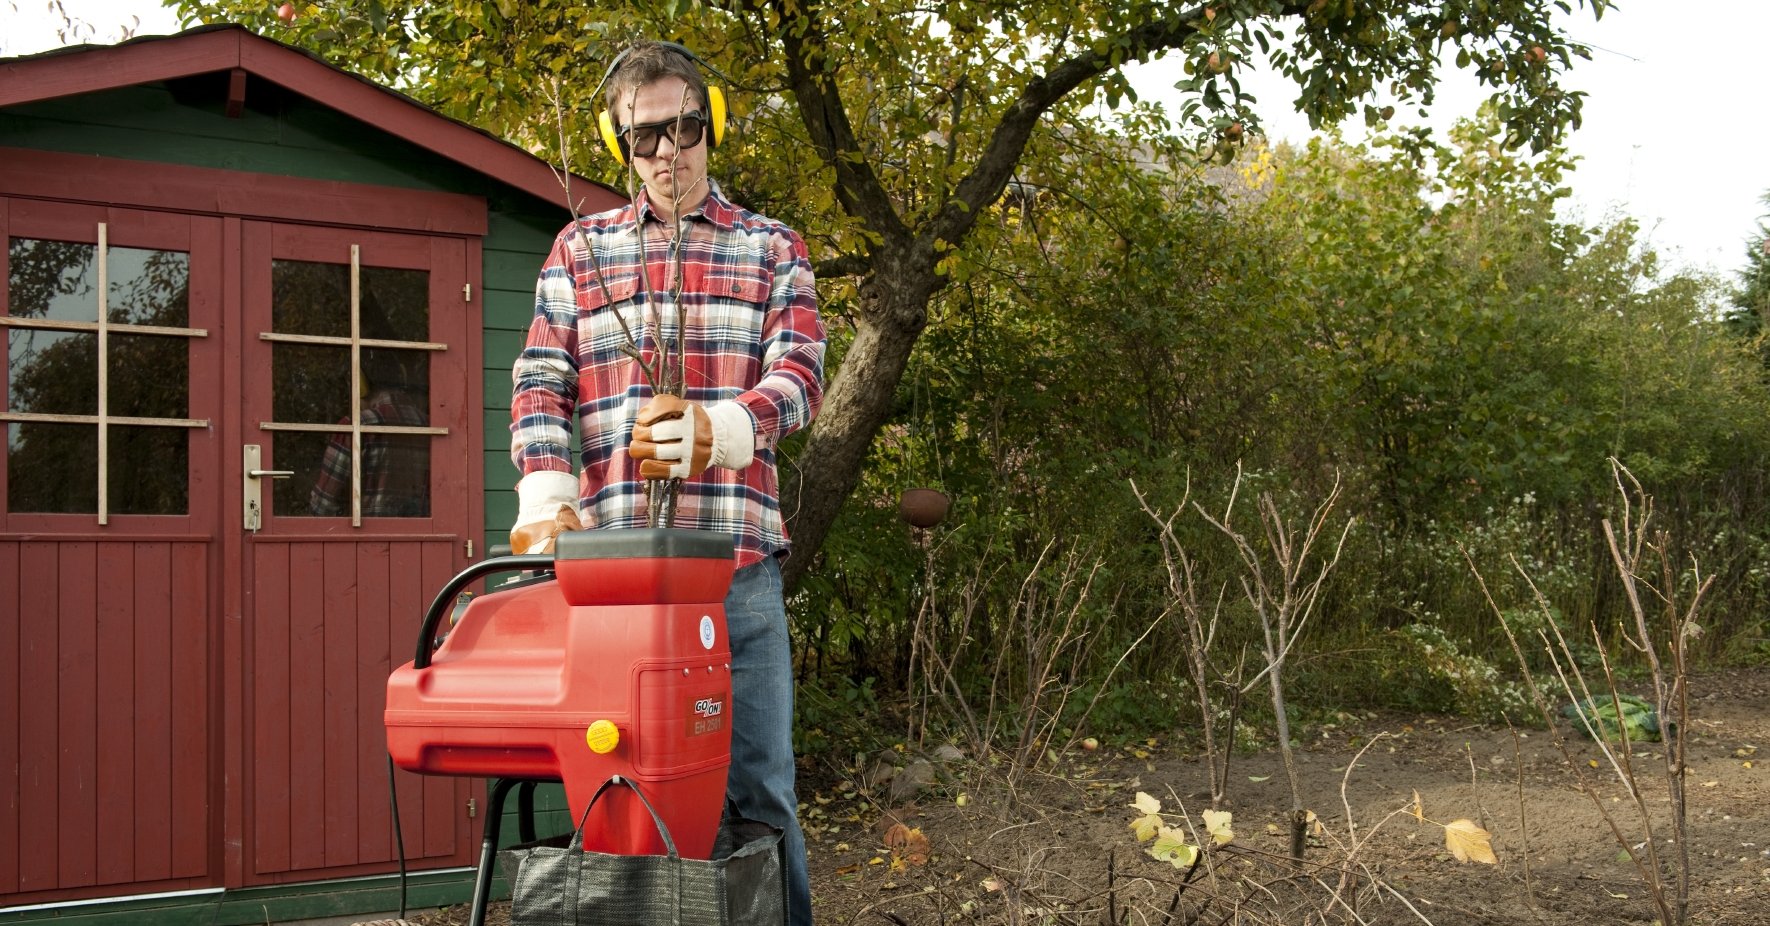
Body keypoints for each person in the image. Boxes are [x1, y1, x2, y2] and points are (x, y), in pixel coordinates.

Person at [507, 39, 826, 926]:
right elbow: (540, 381)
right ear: (623, 147)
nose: (666, 153)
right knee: (627, 796)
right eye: (645, 138)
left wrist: (724, 430)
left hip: (740, 573)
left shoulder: (771, 247)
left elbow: (801, 373)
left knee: (761, 790)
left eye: (684, 128)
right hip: (618, 588)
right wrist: (547, 492)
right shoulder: (583, 253)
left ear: (712, 126)